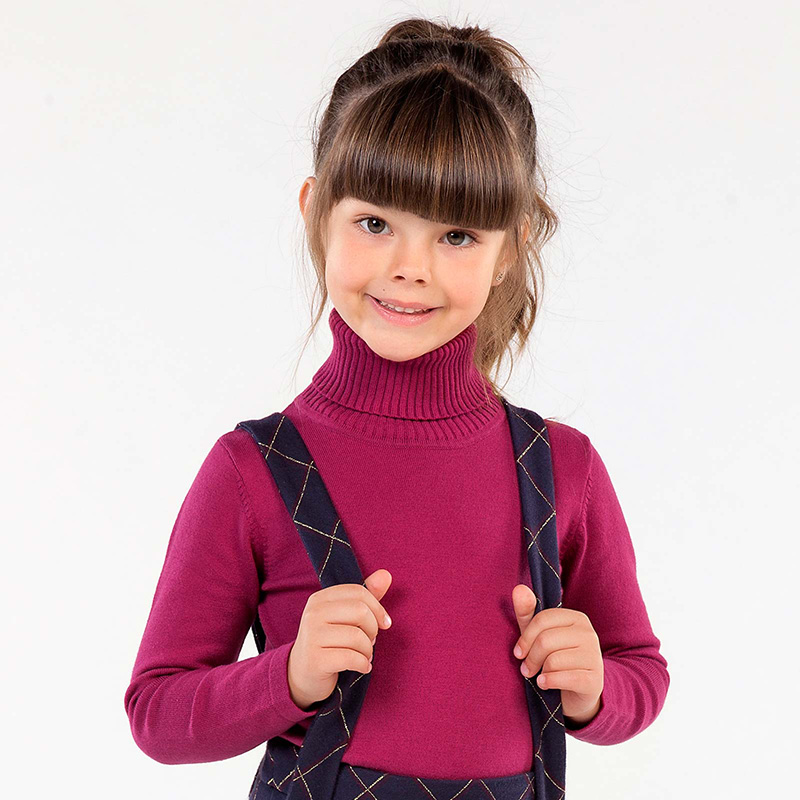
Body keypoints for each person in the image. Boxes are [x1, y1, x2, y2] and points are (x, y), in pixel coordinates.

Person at [124, 16, 669, 799]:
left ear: (511, 246)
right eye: (375, 223)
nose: (410, 268)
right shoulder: (252, 471)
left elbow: (640, 673)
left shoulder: (563, 468)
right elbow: (157, 712)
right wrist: (289, 675)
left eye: (457, 235)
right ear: (315, 211)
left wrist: (595, 686)